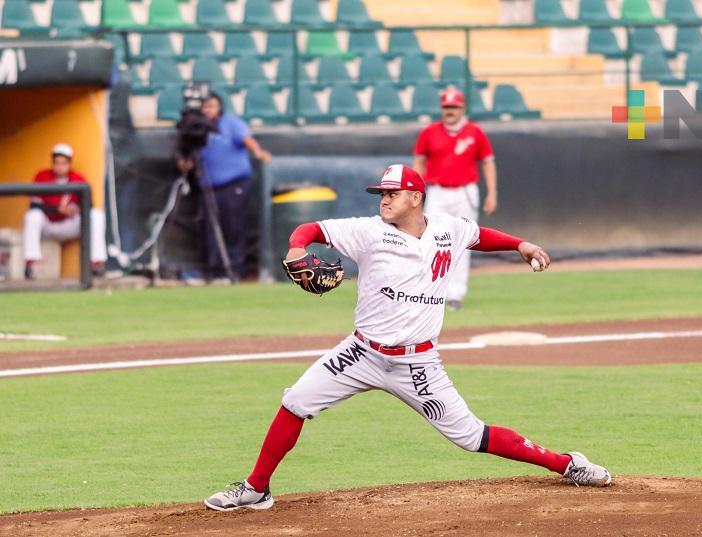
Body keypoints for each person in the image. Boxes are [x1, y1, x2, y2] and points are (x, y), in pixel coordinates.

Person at [203, 164, 611, 512]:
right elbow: (310, 228)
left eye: (391, 193)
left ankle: (567, 463)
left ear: (416, 197)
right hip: (361, 353)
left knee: (472, 436)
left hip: (417, 363)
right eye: (381, 193)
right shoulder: (368, 231)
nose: (383, 200)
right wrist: (296, 248)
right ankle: (256, 489)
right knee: (295, 401)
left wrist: (520, 244)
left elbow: (478, 235)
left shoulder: (448, 228)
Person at [413, 87, 498, 310]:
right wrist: (416, 191)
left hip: (465, 191)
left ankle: (456, 294)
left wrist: (492, 193)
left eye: (454, 106)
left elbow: (488, 162)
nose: (450, 110)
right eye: (446, 106)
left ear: (462, 108)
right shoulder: (429, 132)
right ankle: (431, 291)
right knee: (431, 240)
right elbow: (419, 161)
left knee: (463, 241)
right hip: (437, 190)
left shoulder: (475, 132)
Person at [177, 93, 271, 283]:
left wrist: (258, 152)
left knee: (233, 228)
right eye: (205, 107)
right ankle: (213, 271)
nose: (208, 110)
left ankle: (234, 270)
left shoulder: (230, 123)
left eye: (211, 106)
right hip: (207, 187)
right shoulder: (197, 129)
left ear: (219, 108)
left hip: (233, 185)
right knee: (209, 230)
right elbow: (187, 156)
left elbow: (247, 139)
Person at [23, 144, 107, 279]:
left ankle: (96, 264)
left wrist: (76, 209)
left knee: (96, 215)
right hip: (48, 224)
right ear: (52, 163)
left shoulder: (78, 178)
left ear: (69, 164)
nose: (60, 167)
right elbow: (33, 205)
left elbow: (89, 204)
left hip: (69, 224)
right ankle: (30, 263)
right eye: (57, 163)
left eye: (63, 163)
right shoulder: (42, 176)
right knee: (32, 216)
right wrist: (56, 209)